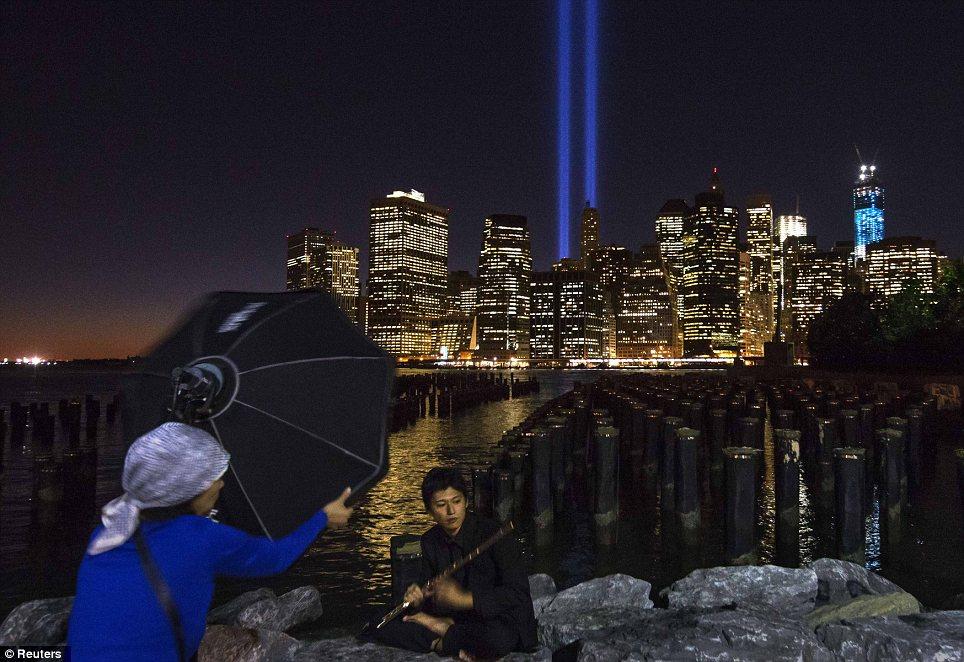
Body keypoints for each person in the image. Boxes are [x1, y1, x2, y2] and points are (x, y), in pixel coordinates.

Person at [67, 422, 354, 662]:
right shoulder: (199, 537)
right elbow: (275, 558)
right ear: (186, 488)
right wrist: (322, 518)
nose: (220, 484)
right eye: (212, 478)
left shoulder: (108, 528)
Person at [371, 467, 537, 660]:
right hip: (458, 620)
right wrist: (416, 599)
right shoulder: (429, 541)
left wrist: (465, 599)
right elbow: (427, 592)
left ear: (466, 501)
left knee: (498, 637)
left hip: (496, 620)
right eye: (441, 504)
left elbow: (518, 593)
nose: (451, 511)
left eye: (456, 502)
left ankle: (442, 637)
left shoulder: (495, 534)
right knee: (379, 621)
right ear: (429, 510)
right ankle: (447, 639)